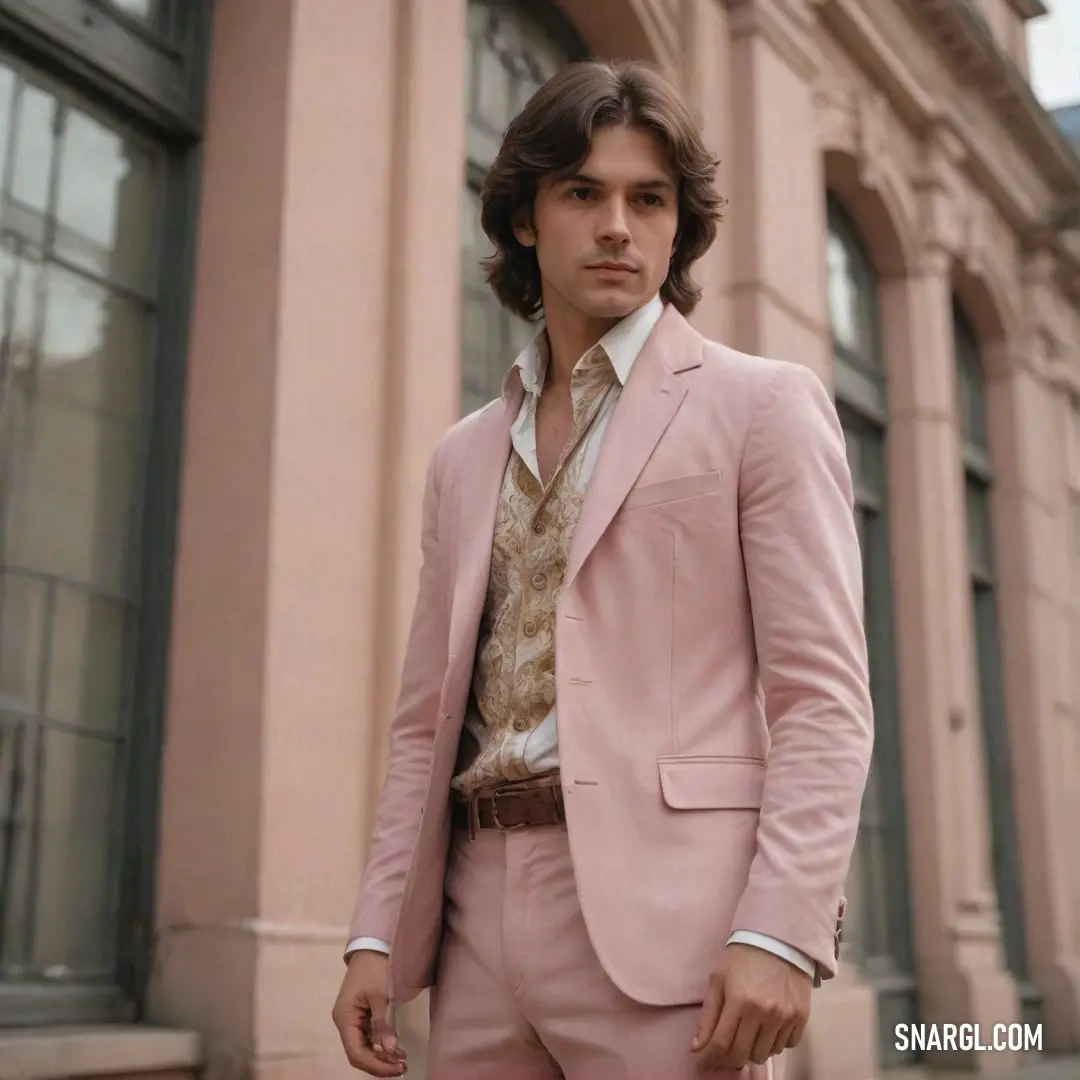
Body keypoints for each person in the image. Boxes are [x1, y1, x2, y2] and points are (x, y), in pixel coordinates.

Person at [332, 57, 873, 1080]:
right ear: (527, 218)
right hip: (474, 926)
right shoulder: (462, 456)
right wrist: (375, 933)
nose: (618, 225)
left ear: (679, 226)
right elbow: (424, 724)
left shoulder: (762, 406)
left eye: (648, 198)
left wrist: (781, 928)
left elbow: (822, 700)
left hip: (673, 933)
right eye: (584, 193)